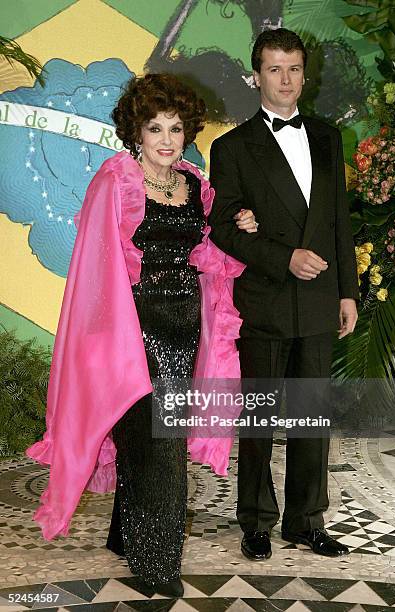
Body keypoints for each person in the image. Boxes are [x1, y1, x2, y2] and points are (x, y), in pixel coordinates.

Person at [26, 73, 256, 597]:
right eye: (156, 128)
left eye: (176, 128)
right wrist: (111, 341)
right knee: (157, 446)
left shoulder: (195, 184)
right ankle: (157, 564)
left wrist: (238, 224)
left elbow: (212, 254)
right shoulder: (115, 180)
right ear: (136, 131)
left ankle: (126, 538)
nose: (167, 139)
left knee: (152, 441)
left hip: (185, 330)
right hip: (133, 333)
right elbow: (98, 269)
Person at [208, 29, 359, 561]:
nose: (286, 79)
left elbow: (338, 219)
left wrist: (348, 292)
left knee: (311, 416)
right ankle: (254, 520)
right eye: (274, 69)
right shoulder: (230, 148)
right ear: (256, 77)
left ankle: (305, 521)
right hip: (267, 300)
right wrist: (283, 257)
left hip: (320, 300)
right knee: (259, 422)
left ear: (304, 73)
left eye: (293, 68)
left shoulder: (326, 136)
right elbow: (224, 226)